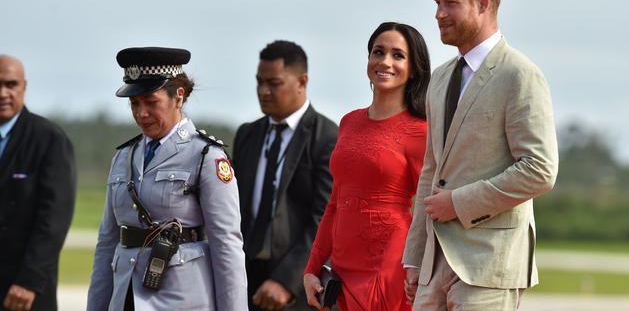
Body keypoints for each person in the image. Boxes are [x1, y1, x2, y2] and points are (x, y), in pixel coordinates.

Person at [402, 0, 559, 310]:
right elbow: (431, 171)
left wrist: (458, 203)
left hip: (490, 265)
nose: (439, 13)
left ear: (483, 2)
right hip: (433, 266)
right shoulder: (440, 78)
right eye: (437, 3)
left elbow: (539, 170)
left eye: (450, 3)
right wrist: (414, 258)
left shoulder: (520, 75)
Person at [87, 47, 247, 311]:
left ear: (178, 97)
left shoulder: (206, 156)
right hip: (126, 297)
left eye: (151, 101)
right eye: (134, 104)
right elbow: (107, 242)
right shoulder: (124, 157)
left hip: (183, 301)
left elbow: (227, 246)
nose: (141, 113)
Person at [303, 22, 431, 310]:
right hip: (341, 268)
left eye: (398, 55)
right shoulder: (349, 121)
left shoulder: (421, 131)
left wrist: (418, 265)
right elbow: (334, 203)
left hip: (389, 264)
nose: (385, 61)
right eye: (378, 52)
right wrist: (312, 268)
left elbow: (427, 207)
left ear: (414, 68)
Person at [233, 40, 338, 311]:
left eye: (274, 83)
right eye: (259, 82)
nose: (263, 91)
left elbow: (324, 218)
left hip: (297, 287)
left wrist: (286, 281)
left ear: (302, 81)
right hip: (243, 279)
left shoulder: (327, 137)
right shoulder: (247, 134)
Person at [0, 55, 76, 311]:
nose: (3, 93)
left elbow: (53, 219)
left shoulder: (49, 140)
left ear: (24, 87)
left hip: (22, 290)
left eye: (11, 84)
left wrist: (29, 281)